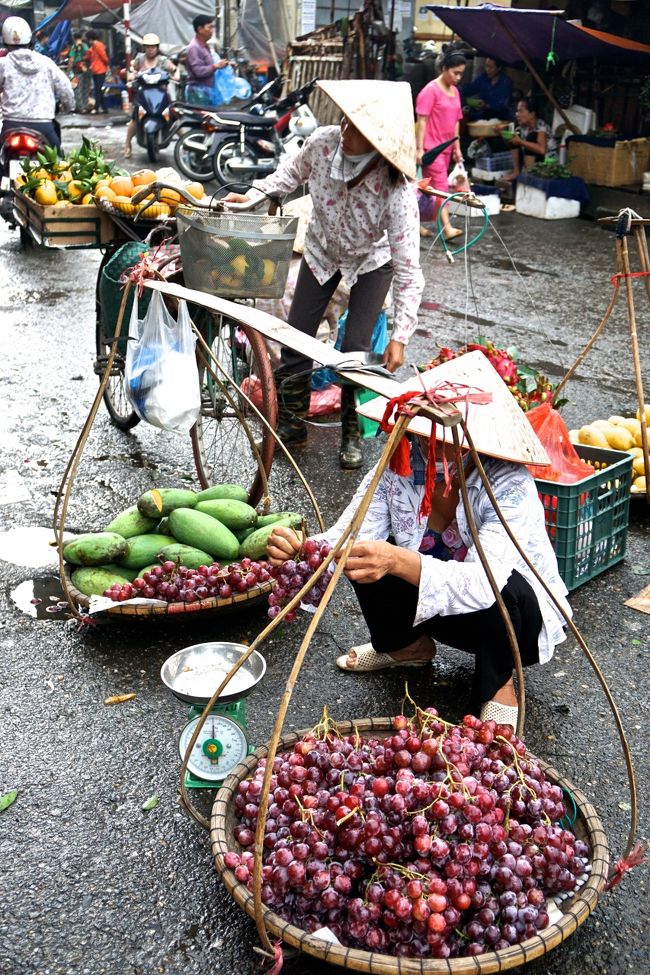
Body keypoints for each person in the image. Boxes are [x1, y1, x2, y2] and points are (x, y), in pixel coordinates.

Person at [266, 351, 572, 730]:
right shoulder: (402, 463)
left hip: (509, 623)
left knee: (503, 588)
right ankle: (407, 646)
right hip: (441, 609)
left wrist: (397, 561)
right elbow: (351, 533)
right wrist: (304, 547)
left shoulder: (509, 486)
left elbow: (482, 583)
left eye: (437, 434)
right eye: (420, 432)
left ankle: (500, 682)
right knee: (363, 555)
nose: (424, 443)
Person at [222, 79, 424, 470]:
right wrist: (251, 197)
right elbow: (288, 176)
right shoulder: (323, 142)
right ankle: (292, 428)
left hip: (371, 261)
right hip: (321, 251)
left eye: (359, 130)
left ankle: (351, 434)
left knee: (356, 351)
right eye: (346, 122)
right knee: (296, 338)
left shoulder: (396, 188)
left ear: (379, 141)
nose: (347, 132)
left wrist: (401, 335)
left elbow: (408, 267)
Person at [0, 16, 74, 152]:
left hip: (11, 125)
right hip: (43, 126)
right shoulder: (46, 62)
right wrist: (69, 106)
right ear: (30, 40)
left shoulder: (3, 64)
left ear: (5, 41)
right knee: (58, 165)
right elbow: (65, 88)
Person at [415, 49, 467, 241]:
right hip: (431, 150)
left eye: (461, 73)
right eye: (455, 72)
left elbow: (456, 122)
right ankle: (447, 228)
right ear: (444, 69)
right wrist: (420, 149)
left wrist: (457, 148)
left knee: (426, 190)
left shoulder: (455, 92)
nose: (458, 77)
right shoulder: (430, 90)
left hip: (446, 149)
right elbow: (422, 121)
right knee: (441, 188)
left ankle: (414, 224)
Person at [123, 33, 176, 158]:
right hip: (143, 94)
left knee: (174, 116)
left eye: (153, 47)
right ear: (144, 47)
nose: (150, 49)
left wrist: (175, 75)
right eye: (148, 47)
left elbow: (174, 70)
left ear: (157, 47)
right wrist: (131, 75)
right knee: (134, 118)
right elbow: (132, 71)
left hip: (161, 94)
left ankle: (185, 143)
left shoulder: (163, 60)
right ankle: (127, 143)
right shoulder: (140, 59)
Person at [498, 95, 557, 180]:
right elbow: (511, 144)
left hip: (547, 163)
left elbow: (542, 150)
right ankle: (516, 172)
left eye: (520, 111)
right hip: (532, 161)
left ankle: (530, 176)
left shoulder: (541, 127)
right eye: (517, 111)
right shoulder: (523, 126)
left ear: (532, 114)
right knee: (514, 137)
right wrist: (502, 134)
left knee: (531, 138)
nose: (517, 114)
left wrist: (521, 142)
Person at [185, 14, 227, 106]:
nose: (212, 31)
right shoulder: (194, 47)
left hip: (205, 91)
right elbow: (198, 71)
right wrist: (216, 66)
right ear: (200, 29)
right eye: (209, 28)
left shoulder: (204, 46)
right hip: (198, 92)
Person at [462, 56, 513, 121]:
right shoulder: (483, 78)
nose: (487, 69)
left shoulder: (506, 82)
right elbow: (470, 89)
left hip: (500, 117)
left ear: (499, 68)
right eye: (486, 66)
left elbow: (502, 105)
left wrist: (486, 106)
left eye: (491, 67)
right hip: (483, 116)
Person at [85, 30, 109, 114]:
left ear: (90, 39)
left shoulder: (97, 45)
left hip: (100, 70)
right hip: (96, 70)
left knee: (98, 90)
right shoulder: (94, 46)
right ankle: (105, 108)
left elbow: (104, 58)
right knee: (98, 90)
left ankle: (96, 108)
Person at [67, 32, 90, 113]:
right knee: (86, 88)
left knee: (77, 88)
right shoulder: (85, 46)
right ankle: (85, 106)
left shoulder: (74, 47)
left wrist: (69, 70)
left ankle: (80, 107)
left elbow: (71, 59)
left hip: (77, 70)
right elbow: (89, 55)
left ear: (74, 38)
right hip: (86, 69)